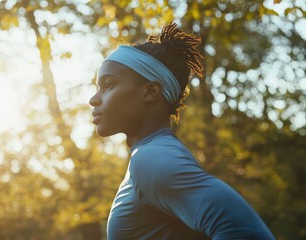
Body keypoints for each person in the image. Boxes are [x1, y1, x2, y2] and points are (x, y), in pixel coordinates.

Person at [89, 23, 275, 240]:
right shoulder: (155, 154)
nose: (93, 99)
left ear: (151, 91)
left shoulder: (152, 158)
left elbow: (246, 233)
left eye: (108, 85)